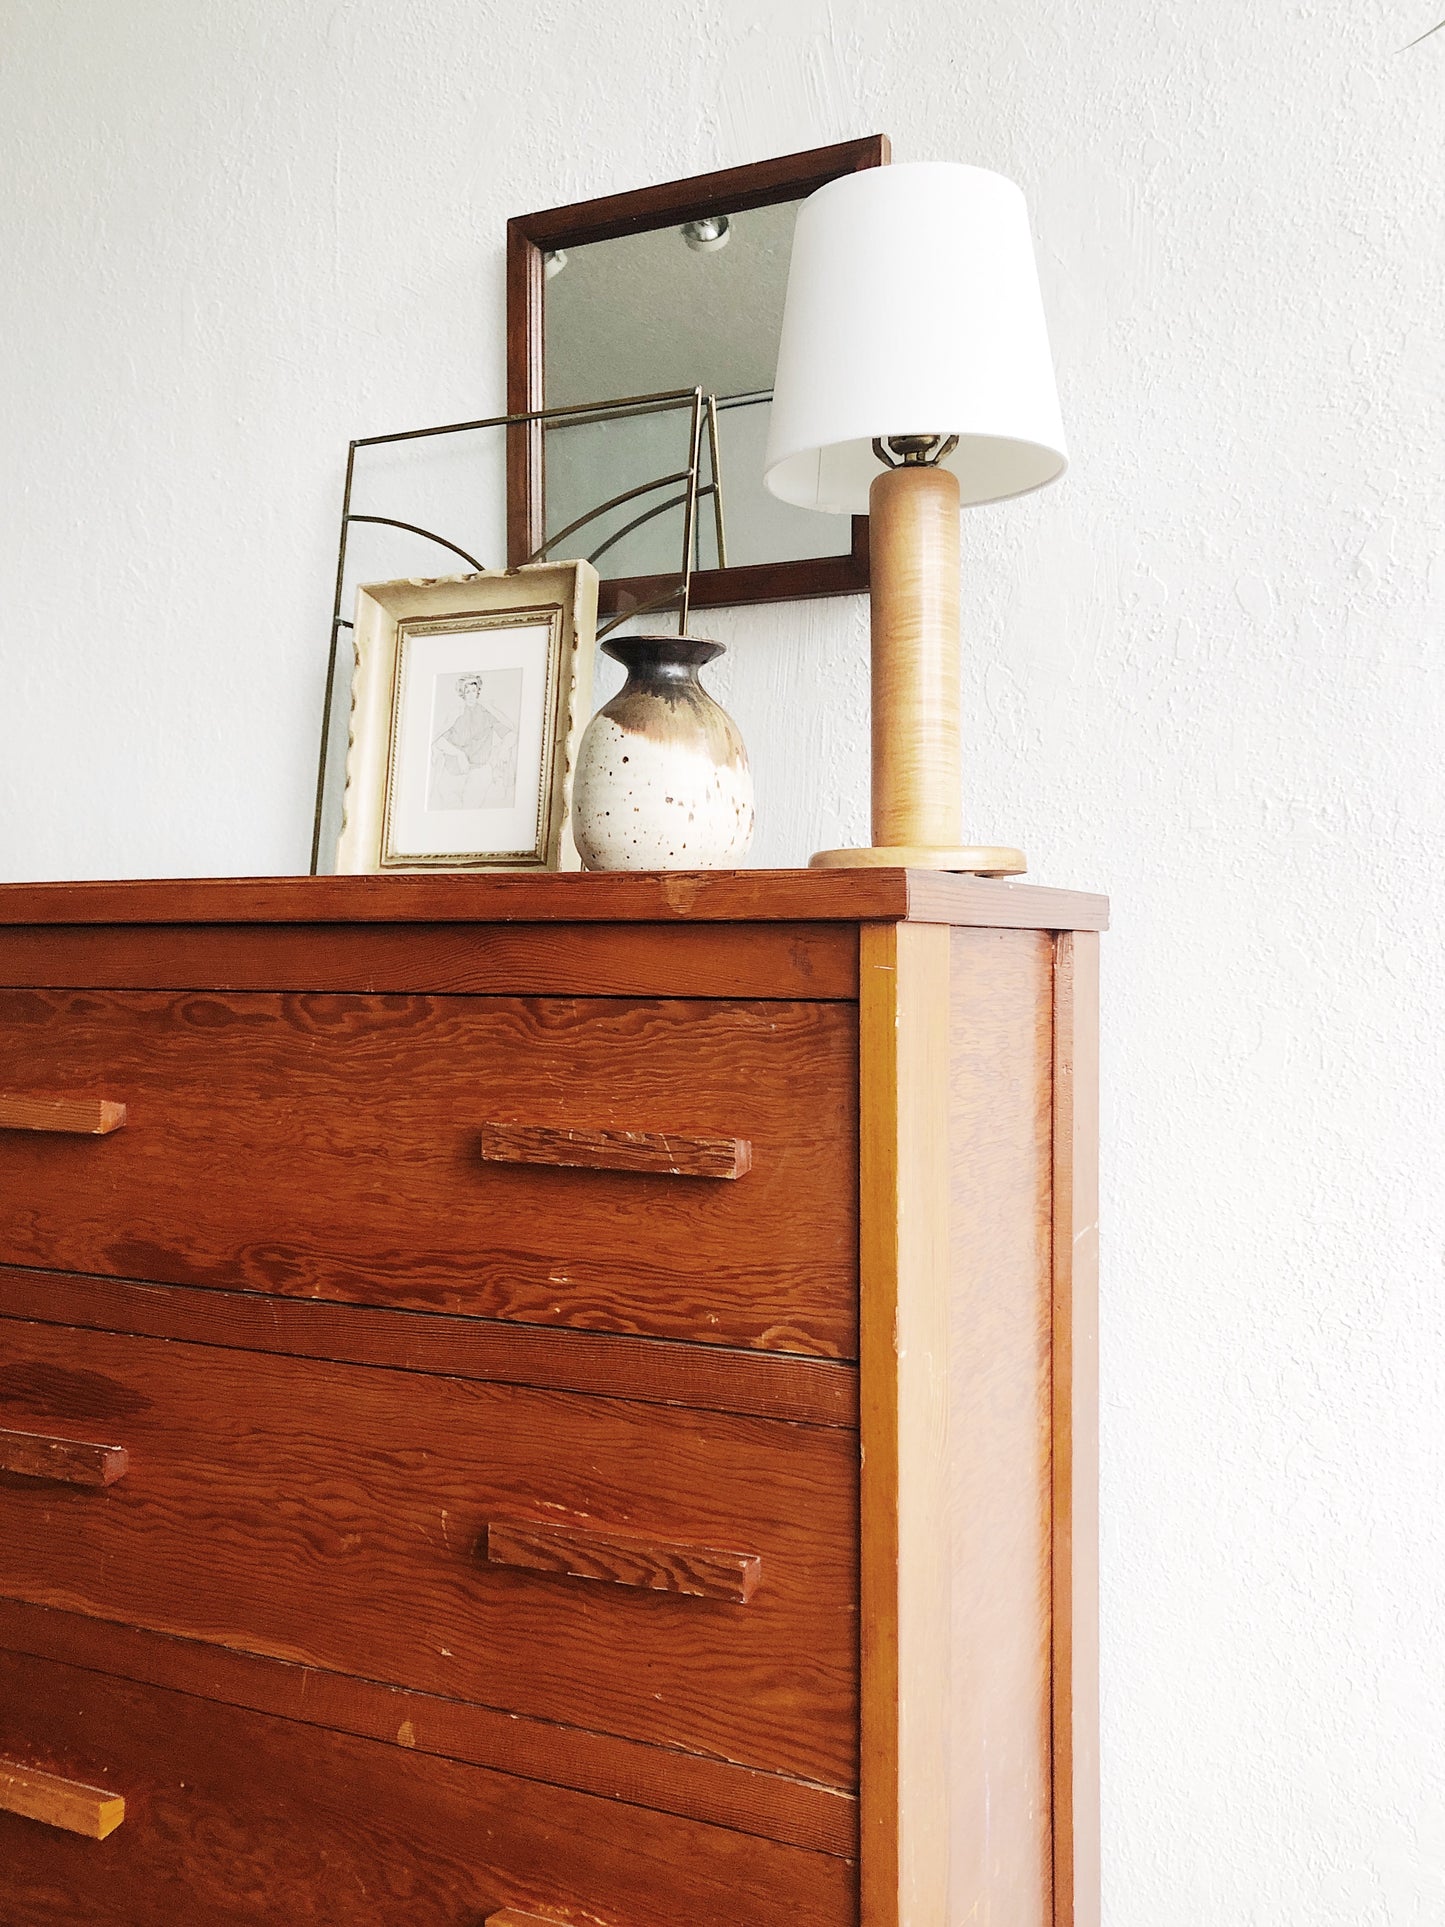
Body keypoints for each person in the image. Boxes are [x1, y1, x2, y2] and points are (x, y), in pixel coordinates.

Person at [429, 674, 518, 809]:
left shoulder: (486, 713)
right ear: (462, 694)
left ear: (478, 692)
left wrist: (504, 749)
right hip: (452, 771)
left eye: (474, 691)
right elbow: (438, 741)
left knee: (470, 807)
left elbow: (510, 734)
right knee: (448, 805)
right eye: (467, 691)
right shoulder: (456, 714)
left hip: (479, 770)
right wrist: (459, 754)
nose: (471, 695)